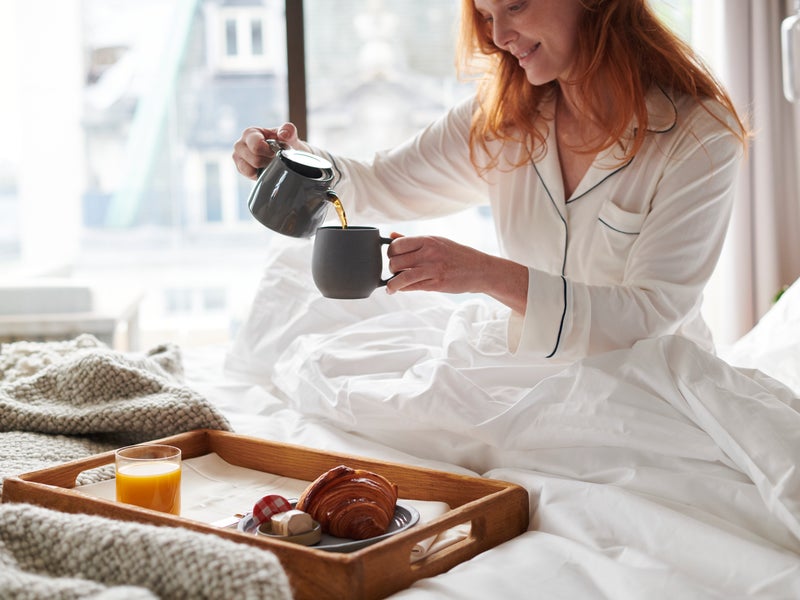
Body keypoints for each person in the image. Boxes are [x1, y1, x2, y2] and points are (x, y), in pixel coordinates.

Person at [232, 0, 749, 362]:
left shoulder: (700, 138)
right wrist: (291, 159)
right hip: (529, 375)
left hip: (650, 391)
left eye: (516, 6)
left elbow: (649, 316)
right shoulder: (501, 117)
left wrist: (484, 273)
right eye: (486, 16)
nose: (499, 37)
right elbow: (380, 181)